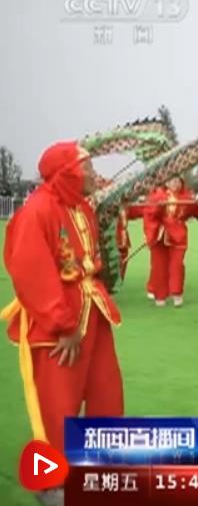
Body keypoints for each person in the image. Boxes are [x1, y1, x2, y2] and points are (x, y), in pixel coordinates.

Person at [2, 143, 124, 506]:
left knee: (106, 390)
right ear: (67, 173)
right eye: (87, 166)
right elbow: (31, 272)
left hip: (92, 310)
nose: (93, 173)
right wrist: (63, 325)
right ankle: (51, 483)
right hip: (58, 323)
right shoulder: (36, 210)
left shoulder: (82, 207)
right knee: (58, 401)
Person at [147, 177, 198, 307]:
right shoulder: (158, 195)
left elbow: (196, 213)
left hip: (178, 234)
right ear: (166, 182)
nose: (175, 183)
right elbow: (150, 214)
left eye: (177, 181)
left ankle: (176, 293)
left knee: (177, 265)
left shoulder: (186, 197)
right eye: (172, 181)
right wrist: (158, 206)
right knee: (159, 266)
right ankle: (160, 295)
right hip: (161, 234)